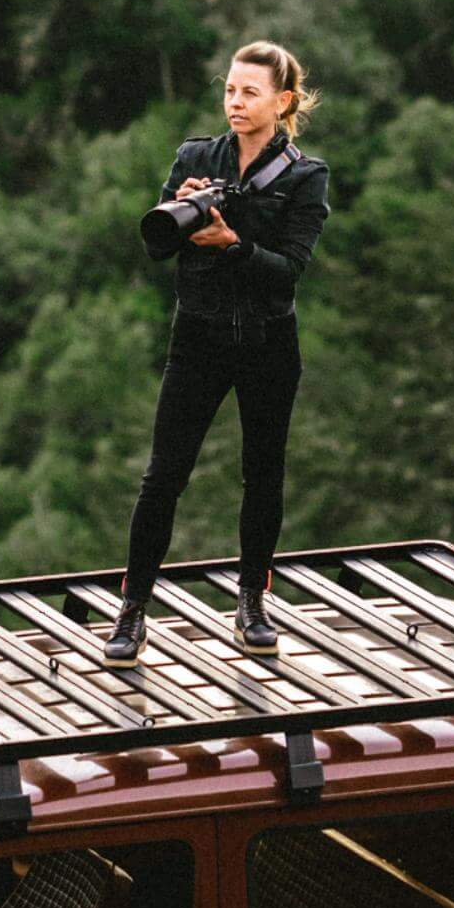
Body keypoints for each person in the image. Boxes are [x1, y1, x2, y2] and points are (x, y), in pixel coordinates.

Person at [103, 40, 331, 665]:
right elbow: (157, 244)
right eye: (229, 89)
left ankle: (252, 603)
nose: (235, 101)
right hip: (197, 337)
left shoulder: (307, 177)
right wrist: (186, 198)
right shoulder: (196, 155)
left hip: (267, 343)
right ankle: (132, 611)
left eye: (249, 92)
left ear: (282, 101)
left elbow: (289, 271)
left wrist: (233, 241)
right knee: (162, 477)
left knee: (263, 477)